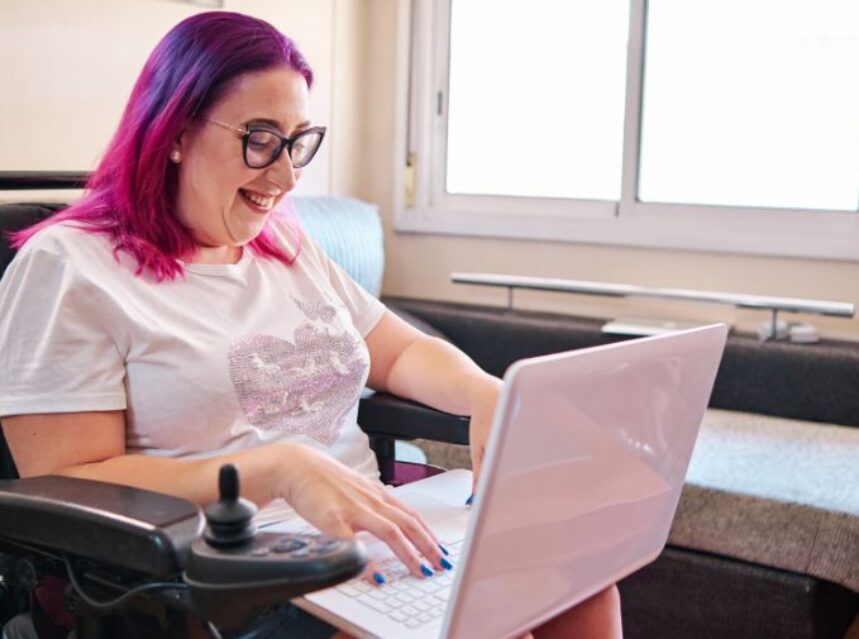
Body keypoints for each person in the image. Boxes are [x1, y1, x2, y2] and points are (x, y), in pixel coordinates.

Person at [0, 12, 621, 638]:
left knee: (582, 579)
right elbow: (69, 479)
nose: (288, 175)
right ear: (175, 134)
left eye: (297, 141)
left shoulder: (284, 246)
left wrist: (485, 392)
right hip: (222, 582)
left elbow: (398, 352)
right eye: (261, 138)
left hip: (371, 539)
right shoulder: (68, 266)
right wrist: (276, 470)